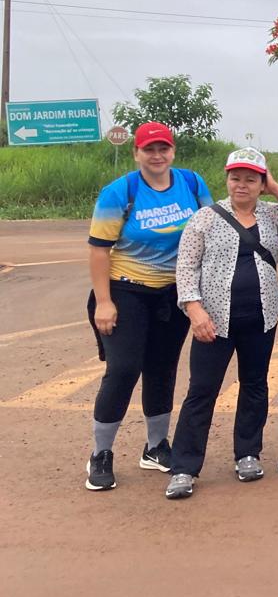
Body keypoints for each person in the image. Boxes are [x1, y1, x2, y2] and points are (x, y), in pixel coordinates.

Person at [165, 148, 278, 499]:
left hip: (261, 316)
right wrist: (195, 310)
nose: (241, 185)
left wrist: (275, 187)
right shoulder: (205, 218)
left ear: (261, 182)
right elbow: (186, 268)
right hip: (213, 321)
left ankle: (248, 453)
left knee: (255, 385)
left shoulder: (272, 215)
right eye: (236, 178)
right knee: (201, 391)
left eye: (251, 179)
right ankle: (184, 467)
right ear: (226, 180)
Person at [84, 122, 214, 491]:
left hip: (173, 292)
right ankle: (101, 453)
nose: (157, 156)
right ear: (136, 153)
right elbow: (98, 250)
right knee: (123, 369)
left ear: (173, 151)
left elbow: (209, 227)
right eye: (149, 150)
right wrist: (104, 302)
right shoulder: (120, 192)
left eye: (163, 149)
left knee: (162, 369)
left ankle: (156, 447)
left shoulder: (191, 183)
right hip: (126, 291)